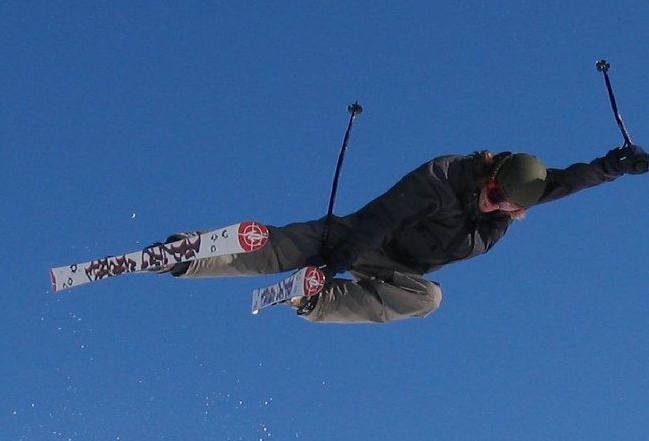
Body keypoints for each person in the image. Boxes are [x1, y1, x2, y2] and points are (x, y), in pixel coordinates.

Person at [160, 144, 647, 323]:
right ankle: (187, 254)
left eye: (509, 206)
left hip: (397, 270)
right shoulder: (443, 178)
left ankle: (318, 302)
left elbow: (569, 181)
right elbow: (382, 221)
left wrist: (613, 167)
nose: (495, 206)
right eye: (495, 193)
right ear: (489, 173)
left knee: (428, 299)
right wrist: (336, 262)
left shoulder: (516, 200)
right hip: (360, 236)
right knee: (286, 248)